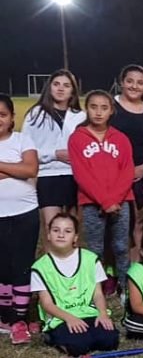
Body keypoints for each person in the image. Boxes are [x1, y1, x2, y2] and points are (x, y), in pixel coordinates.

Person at [68, 89, 135, 302]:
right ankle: (94, 288)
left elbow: (127, 171)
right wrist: (104, 201)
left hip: (121, 201)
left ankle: (124, 287)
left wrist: (114, 200)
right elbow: (81, 174)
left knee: (121, 246)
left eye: (104, 108)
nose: (98, 112)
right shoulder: (77, 138)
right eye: (93, 107)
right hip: (92, 202)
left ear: (111, 111)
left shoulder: (121, 138)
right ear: (87, 109)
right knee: (95, 248)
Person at [31, 213, 119, 356]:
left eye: (67, 231)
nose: (61, 235)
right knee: (78, 346)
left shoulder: (90, 259)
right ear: (48, 235)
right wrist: (70, 318)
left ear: (75, 237)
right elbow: (47, 304)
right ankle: (52, 336)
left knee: (109, 341)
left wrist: (102, 314)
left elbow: (97, 294)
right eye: (56, 230)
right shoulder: (40, 267)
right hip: (61, 318)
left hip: (88, 312)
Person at [22, 69, 85, 237]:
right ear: (49, 87)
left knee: (72, 231)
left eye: (66, 85)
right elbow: (27, 150)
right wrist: (54, 154)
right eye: (56, 84)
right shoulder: (35, 115)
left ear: (73, 90)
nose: (60, 89)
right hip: (47, 177)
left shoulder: (80, 117)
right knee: (53, 230)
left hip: (75, 177)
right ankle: (51, 262)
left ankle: (72, 263)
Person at [109, 64, 143, 262]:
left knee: (138, 221)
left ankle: (135, 267)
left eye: (140, 82)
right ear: (122, 82)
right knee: (116, 223)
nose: (134, 86)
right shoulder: (110, 106)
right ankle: (113, 267)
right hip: (114, 174)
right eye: (130, 81)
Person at [0, 94, 40, 344]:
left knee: (22, 264)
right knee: (3, 266)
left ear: (12, 117)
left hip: (24, 213)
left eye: (2, 115)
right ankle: (5, 316)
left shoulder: (22, 139)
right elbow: (20, 170)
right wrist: (13, 169)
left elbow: (30, 169)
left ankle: (20, 317)